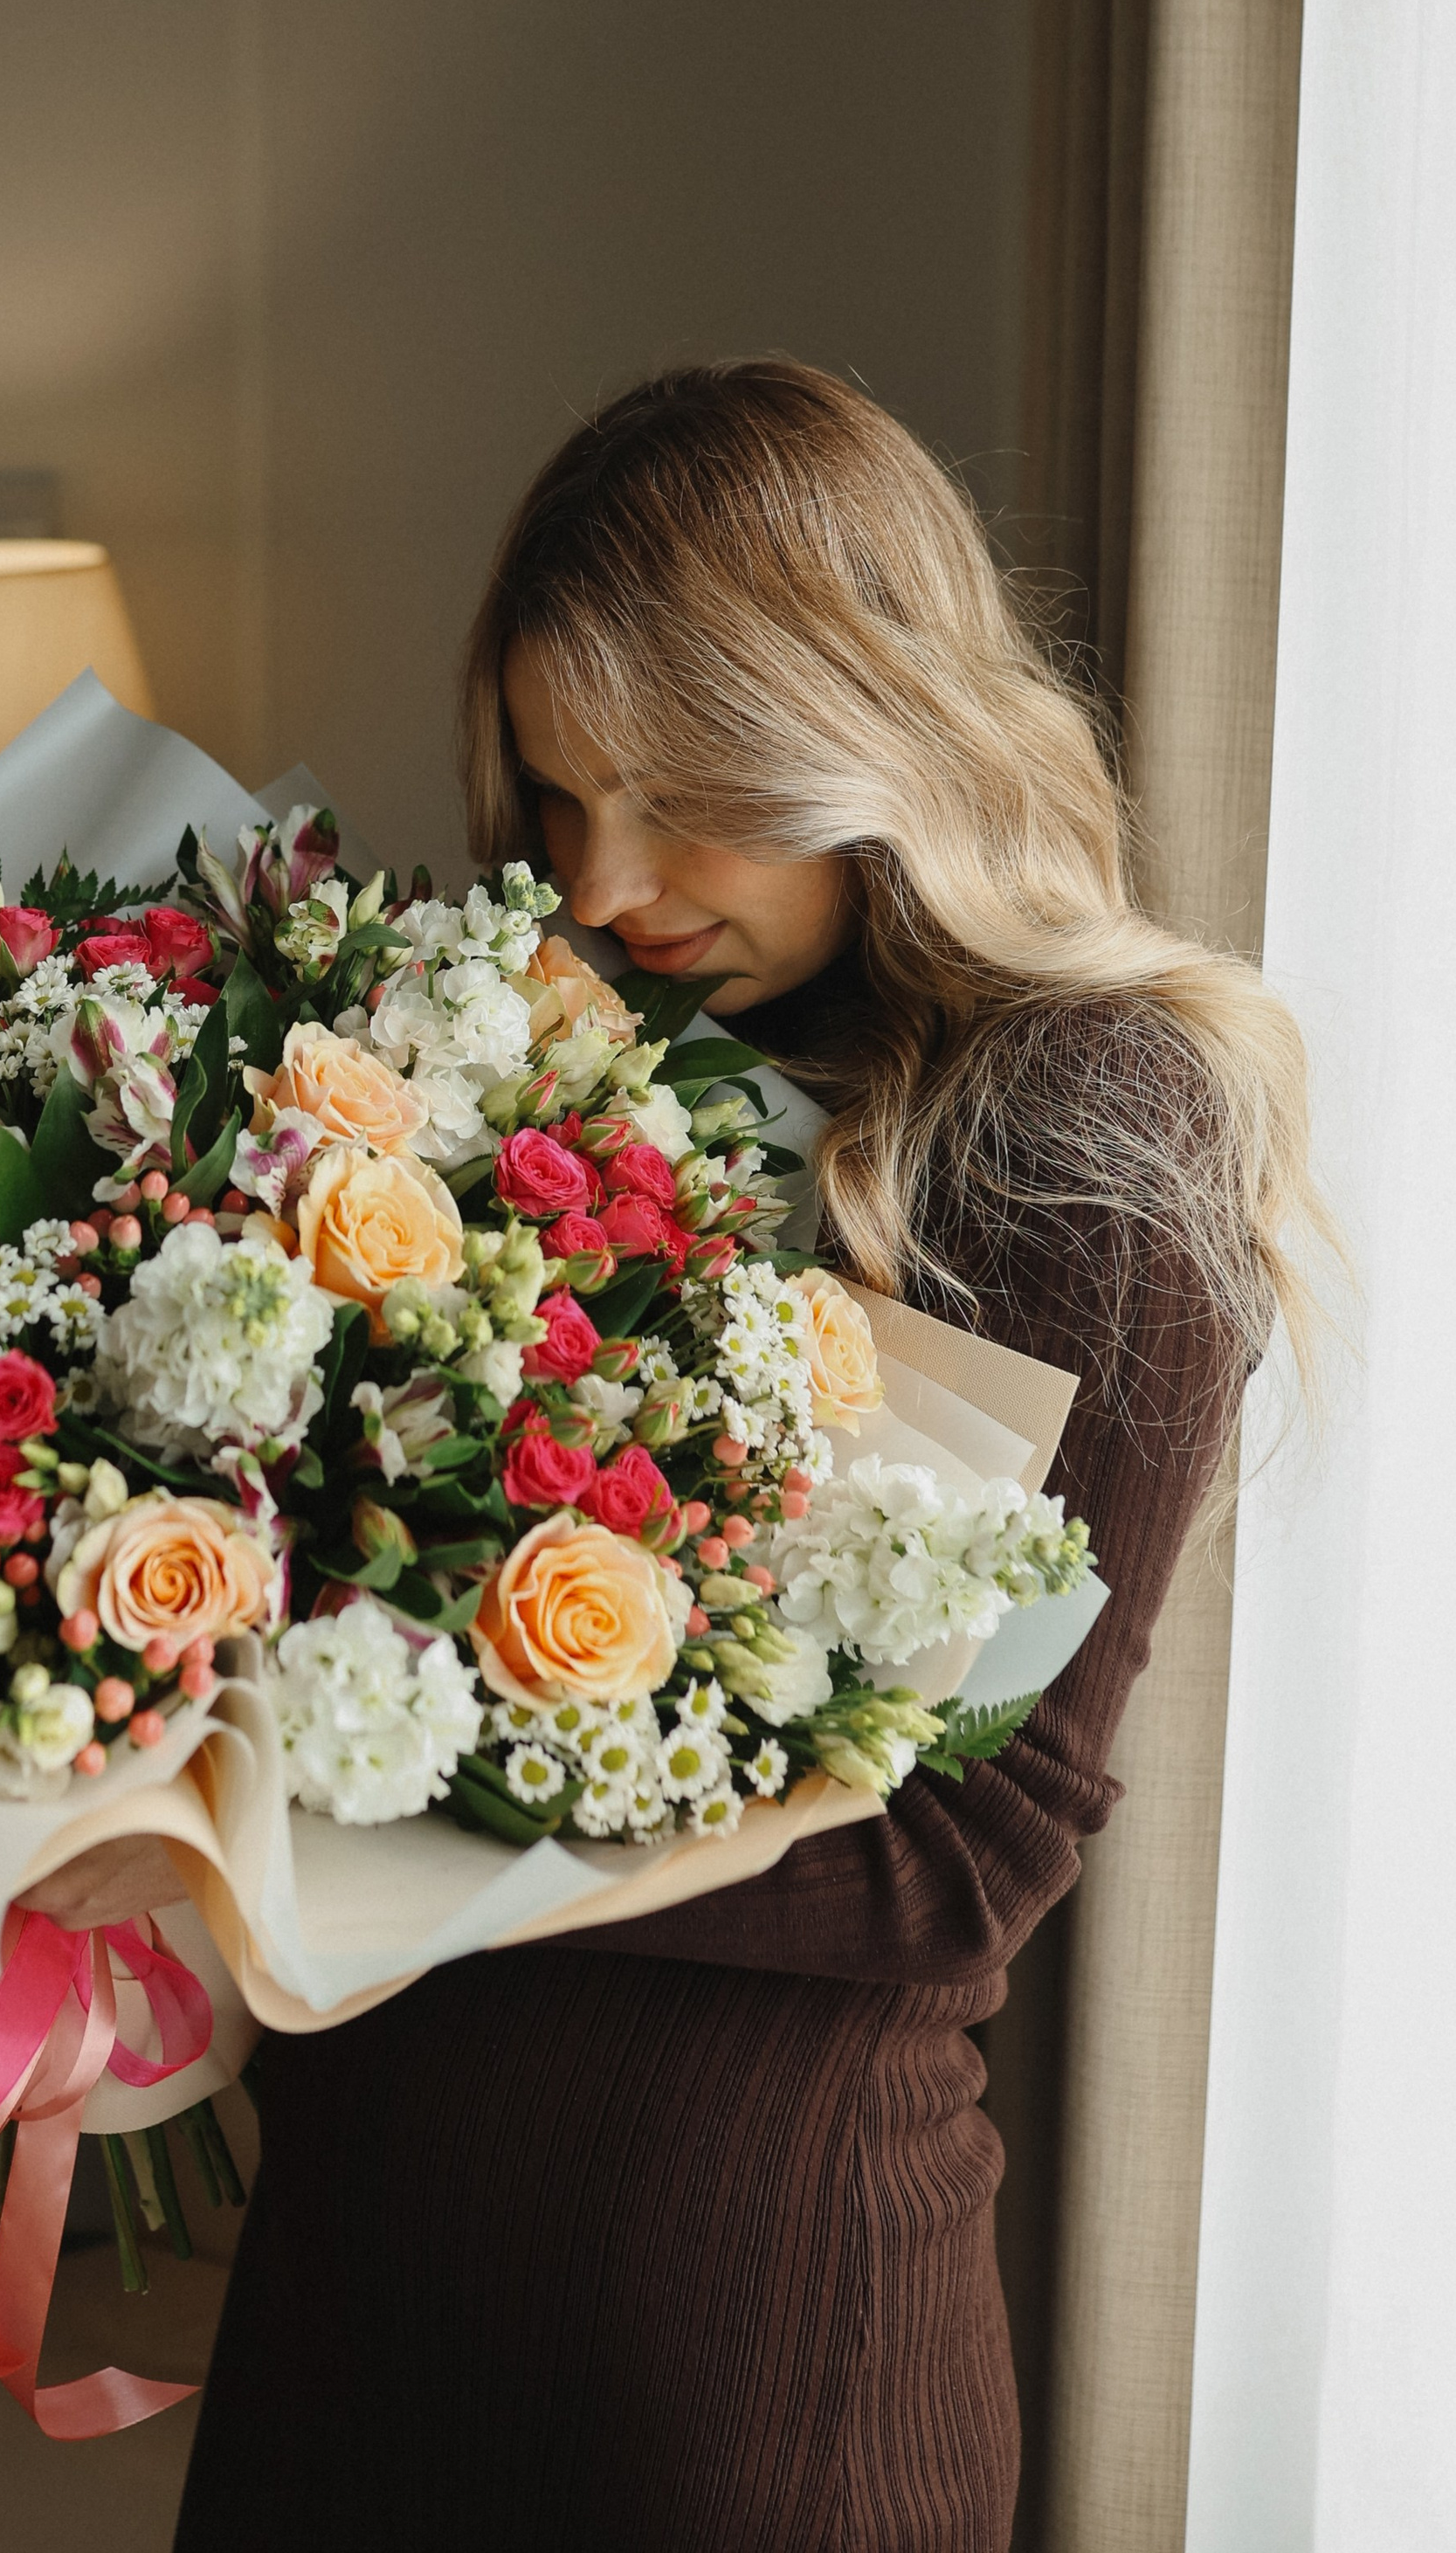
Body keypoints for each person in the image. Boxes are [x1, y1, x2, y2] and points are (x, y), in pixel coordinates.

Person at [173, 358, 1323, 2553]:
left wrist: (317, 1818)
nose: (601, 879)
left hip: (727, 2345)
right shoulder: (507, 1052)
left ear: (857, 723)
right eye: (548, 791)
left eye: (676, 790)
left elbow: (956, 1853)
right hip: (351, 2276)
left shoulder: (1081, 1132)